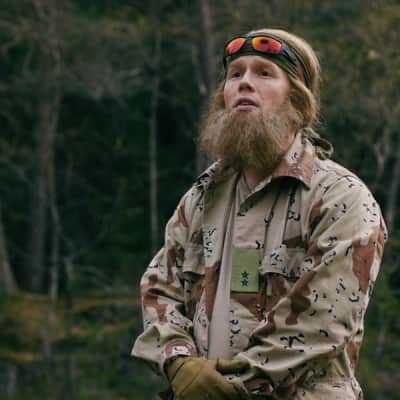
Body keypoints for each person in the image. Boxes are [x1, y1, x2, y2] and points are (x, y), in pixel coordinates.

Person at [132, 28, 387, 400]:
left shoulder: (340, 197)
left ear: (296, 98)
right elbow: (160, 288)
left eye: (264, 73)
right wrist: (179, 363)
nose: (244, 83)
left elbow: (323, 321)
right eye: (235, 74)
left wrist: (229, 386)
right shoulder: (202, 196)